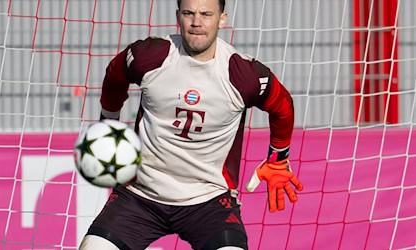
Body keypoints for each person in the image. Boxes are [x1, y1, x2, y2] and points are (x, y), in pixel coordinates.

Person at [80, 0, 303, 249]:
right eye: (189, 13)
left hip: (209, 202)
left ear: (222, 19)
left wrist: (278, 158)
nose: (197, 22)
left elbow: (282, 106)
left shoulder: (242, 74)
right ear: (178, 16)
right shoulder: (150, 56)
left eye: (206, 14)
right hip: (140, 196)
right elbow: (115, 74)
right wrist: (108, 124)